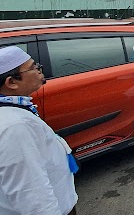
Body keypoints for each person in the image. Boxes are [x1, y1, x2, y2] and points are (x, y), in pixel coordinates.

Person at [0, 46, 79, 215]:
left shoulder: (13, 109)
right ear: (11, 82)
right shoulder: (14, 126)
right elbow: (32, 195)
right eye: (33, 67)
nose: (39, 70)